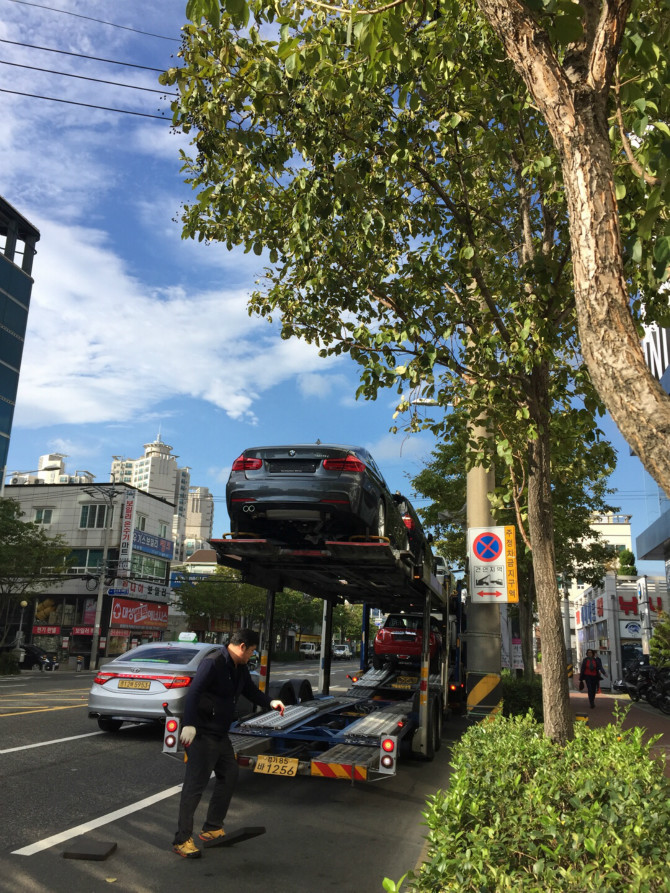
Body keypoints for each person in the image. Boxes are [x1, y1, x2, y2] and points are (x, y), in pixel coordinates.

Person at [172, 629, 285, 859]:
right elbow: (194, 692)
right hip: (202, 733)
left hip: (220, 734)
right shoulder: (213, 663)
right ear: (242, 646)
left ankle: (212, 828)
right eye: (252, 650)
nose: (252, 654)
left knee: (230, 774)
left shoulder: (239, 667)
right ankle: (182, 839)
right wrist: (190, 724)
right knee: (195, 786)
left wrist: (270, 701)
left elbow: (250, 691)